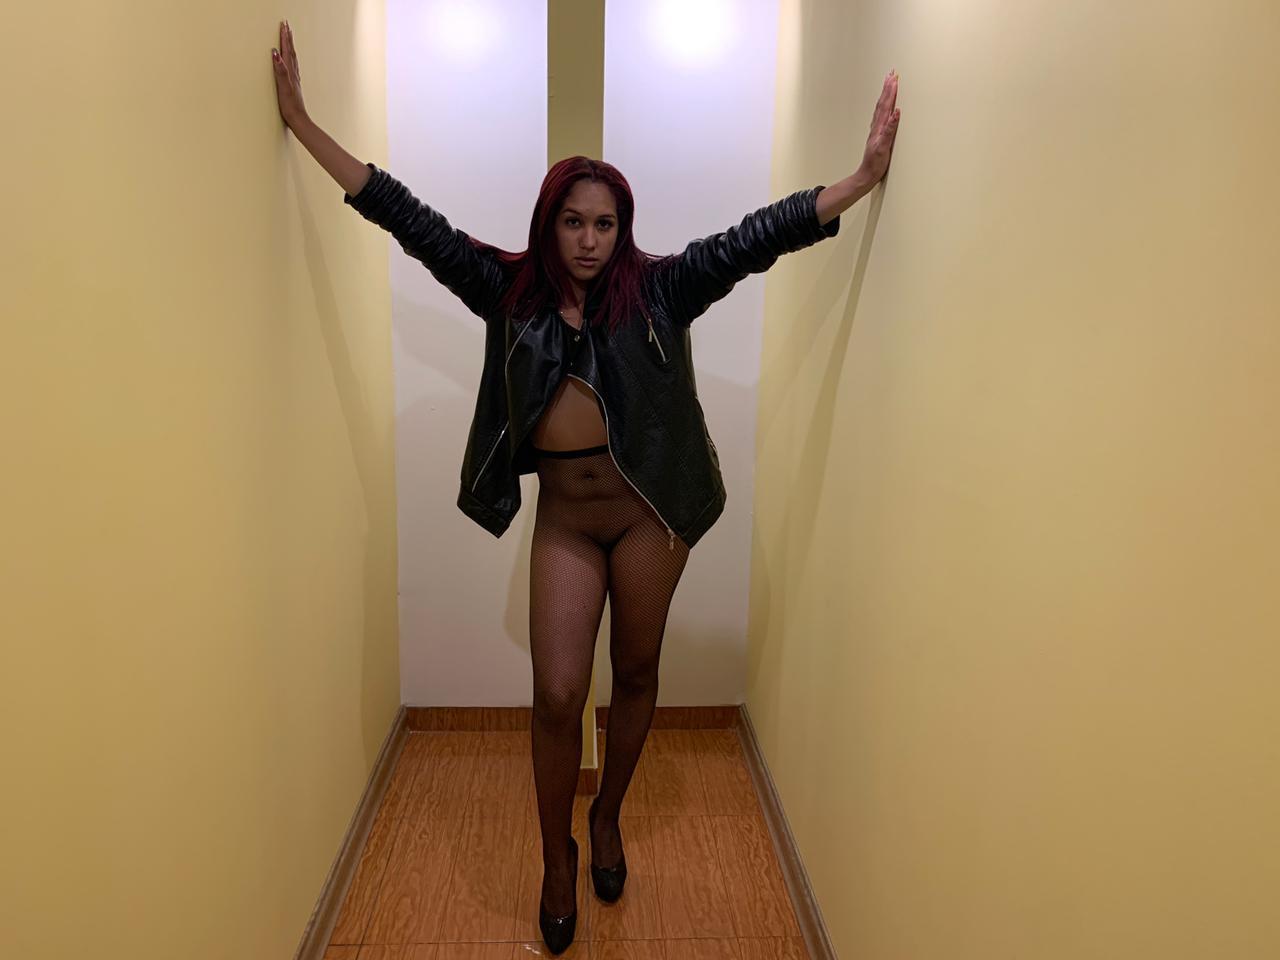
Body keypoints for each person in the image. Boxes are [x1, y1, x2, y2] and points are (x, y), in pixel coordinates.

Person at [272, 19, 899, 955]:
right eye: (575, 221)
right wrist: (304, 124)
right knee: (560, 693)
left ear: (623, 228)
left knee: (637, 674)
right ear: (549, 222)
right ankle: (556, 854)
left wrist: (857, 180)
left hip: (650, 519)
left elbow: (753, 239)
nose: (591, 240)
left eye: (605, 224)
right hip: (568, 523)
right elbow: (406, 217)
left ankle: (608, 817)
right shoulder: (507, 289)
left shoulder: (661, 290)